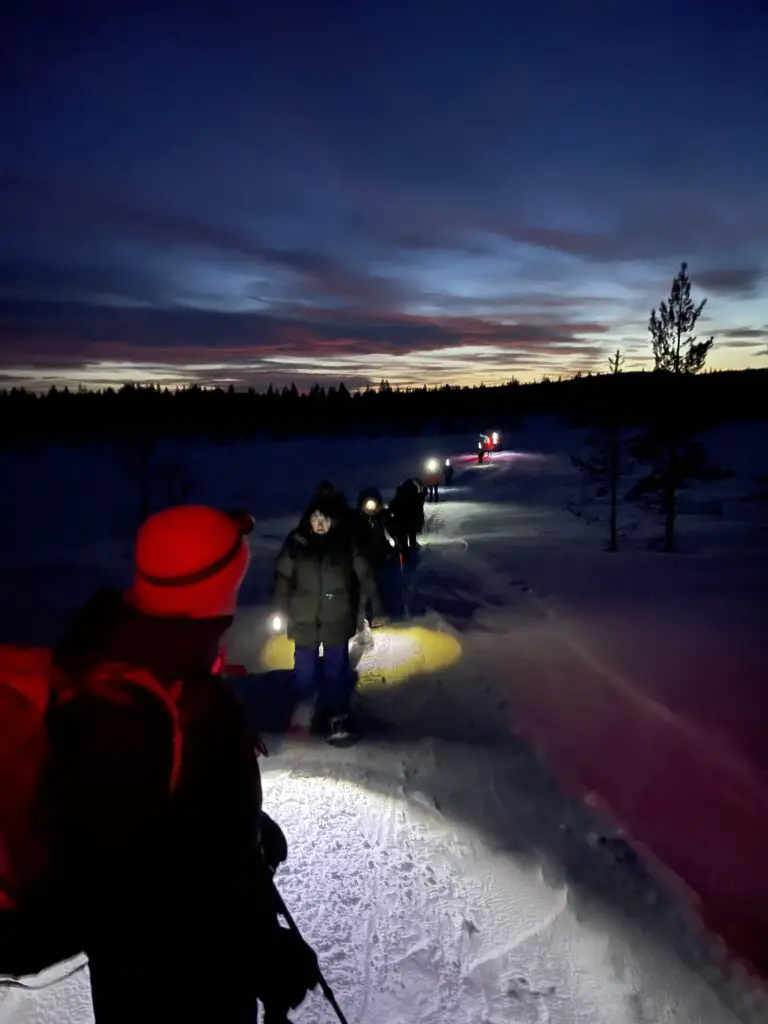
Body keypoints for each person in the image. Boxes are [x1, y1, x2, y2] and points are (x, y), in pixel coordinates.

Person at [0, 505, 319, 1023]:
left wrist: (245, 831)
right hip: (169, 994)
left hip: (166, 980)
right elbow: (133, 894)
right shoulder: (132, 714)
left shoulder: (158, 659)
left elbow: (173, 826)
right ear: (214, 595)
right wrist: (253, 954)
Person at [273, 494, 385, 742]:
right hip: (304, 618)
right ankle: (305, 708)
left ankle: (337, 714)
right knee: (305, 670)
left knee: (336, 669)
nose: (319, 523)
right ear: (308, 520)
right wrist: (280, 610)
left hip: (337, 615)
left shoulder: (346, 542)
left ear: (332, 521)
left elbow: (365, 575)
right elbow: (282, 578)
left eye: (324, 519)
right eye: (315, 519)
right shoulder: (297, 543)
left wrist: (376, 608)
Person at [353, 486, 404, 621]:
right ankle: (368, 613)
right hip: (364, 556)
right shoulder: (356, 520)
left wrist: (394, 544)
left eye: (373, 504)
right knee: (365, 586)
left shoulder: (385, 518)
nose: (370, 508)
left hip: (384, 556)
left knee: (389, 582)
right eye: (367, 504)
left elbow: (395, 532)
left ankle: (394, 609)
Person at [388, 478, 425, 558]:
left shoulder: (399, 496)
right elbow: (419, 506)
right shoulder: (414, 496)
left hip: (400, 522)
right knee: (411, 537)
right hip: (409, 521)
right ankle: (411, 552)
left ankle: (404, 553)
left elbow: (391, 507)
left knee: (403, 539)